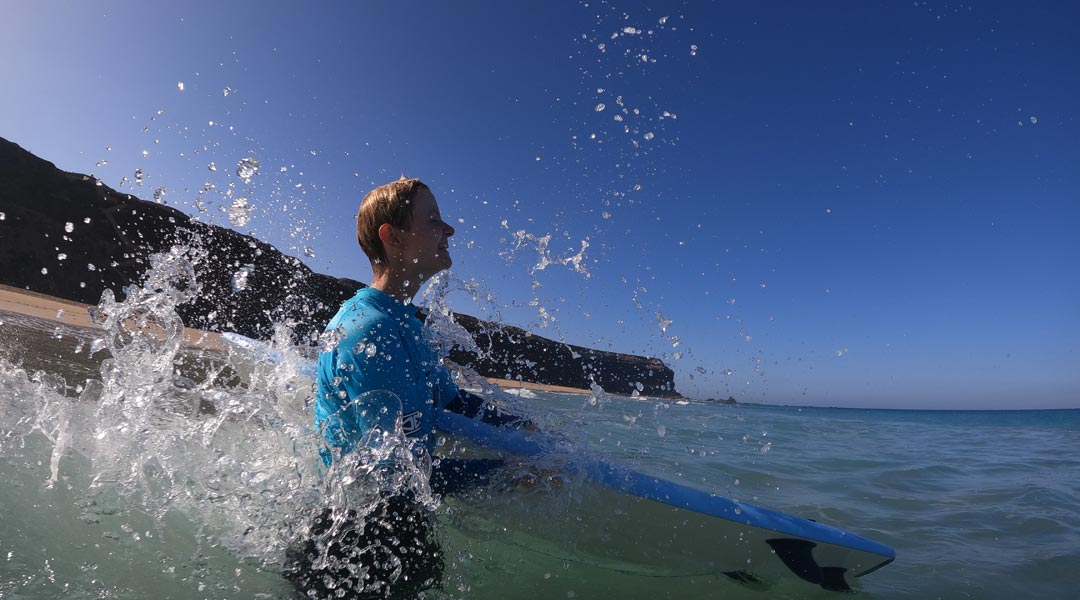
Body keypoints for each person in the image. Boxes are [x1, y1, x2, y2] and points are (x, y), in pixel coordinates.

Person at [285, 177, 521, 599]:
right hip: (351, 545)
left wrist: (524, 427)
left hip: (394, 529)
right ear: (392, 237)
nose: (448, 230)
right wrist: (510, 473)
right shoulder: (368, 332)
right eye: (433, 220)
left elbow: (452, 397)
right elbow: (395, 476)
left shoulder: (404, 321)